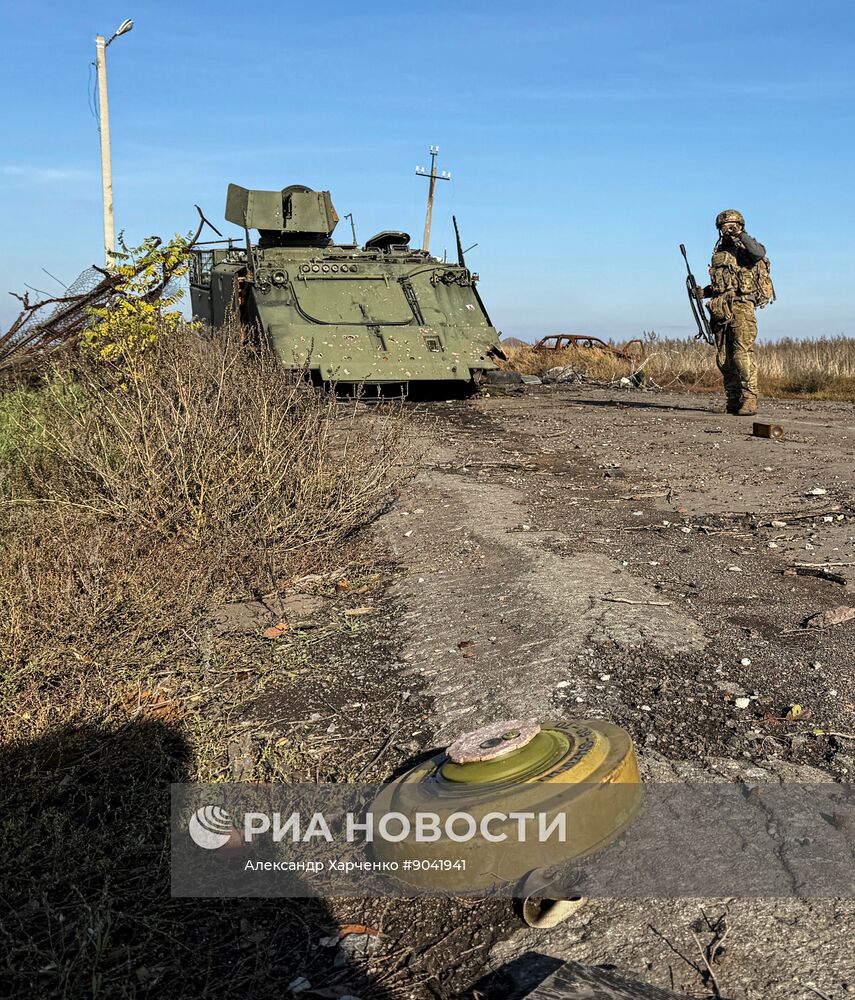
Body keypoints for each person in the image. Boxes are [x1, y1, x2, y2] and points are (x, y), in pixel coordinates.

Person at [697, 209, 772, 416]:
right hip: (721, 309)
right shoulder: (719, 253)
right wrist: (704, 292)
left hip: (742, 308)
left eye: (732, 225)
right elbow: (721, 284)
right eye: (724, 226)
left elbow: (759, 254)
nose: (727, 230)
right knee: (723, 357)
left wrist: (740, 234)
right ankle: (733, 398)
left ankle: (750, 398)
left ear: (740, 225)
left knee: (741, 354)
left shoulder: (747, 247)